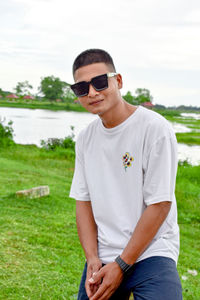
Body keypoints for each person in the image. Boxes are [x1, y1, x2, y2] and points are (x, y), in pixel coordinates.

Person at [69, 49, 182, 300]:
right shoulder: (86, 139)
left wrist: (122, 264)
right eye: (81, 88)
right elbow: (83, 202)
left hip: (152, 251)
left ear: (118, 81)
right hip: (105, 253)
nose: (92, 93)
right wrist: (92, 258)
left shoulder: (155, 129)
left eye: (99, 82)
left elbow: (160, 203)